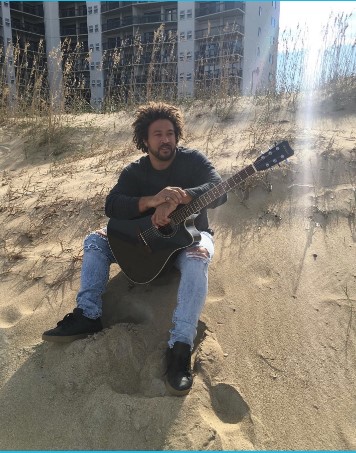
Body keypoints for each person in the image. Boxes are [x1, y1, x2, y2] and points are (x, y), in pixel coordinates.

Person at [42, 102, 227, 396]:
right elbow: (112, 205)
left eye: (170, 133)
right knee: (95, 240)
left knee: (198, 257)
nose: (165, 139)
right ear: (145, 140)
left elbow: (219, 190)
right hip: (145, 243)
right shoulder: (135, 171)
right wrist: (152, 200)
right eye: (158, 134)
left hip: (188, 240)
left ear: (177, 136)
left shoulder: (193, 161)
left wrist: (181, 197)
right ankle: (88, 315)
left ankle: (179, 347)